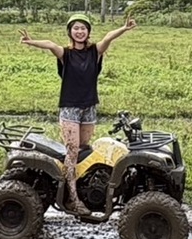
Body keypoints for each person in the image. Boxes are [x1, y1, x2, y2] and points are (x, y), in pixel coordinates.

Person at [19, 14, 136, 213]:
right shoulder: (65, 54)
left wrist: (124, 28)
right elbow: (50, 44)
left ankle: (82, 188)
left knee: (83, 149)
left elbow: (108, 37)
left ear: (88, 32)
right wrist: (31, 42)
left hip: (89, 108)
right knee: (72, 152)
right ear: (70, 32)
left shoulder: (95, 51)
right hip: (70, 107)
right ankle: (72, 198)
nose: (80, 31)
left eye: (83, 28)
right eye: (76, 28)